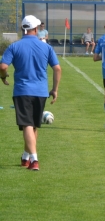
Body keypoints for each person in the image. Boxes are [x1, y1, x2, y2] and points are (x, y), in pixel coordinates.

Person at [0, 15, 61, 170]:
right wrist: (54, 89)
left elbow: (3, 66)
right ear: (35, 29)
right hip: (41, 92)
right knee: (33, 125)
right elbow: (57, 68)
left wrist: (3, 77)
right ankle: (26, 157)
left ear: (23, 29)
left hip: (22, 90)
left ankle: (34, 160)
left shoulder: (14, 46)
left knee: (27, 124)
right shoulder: (46, 47)